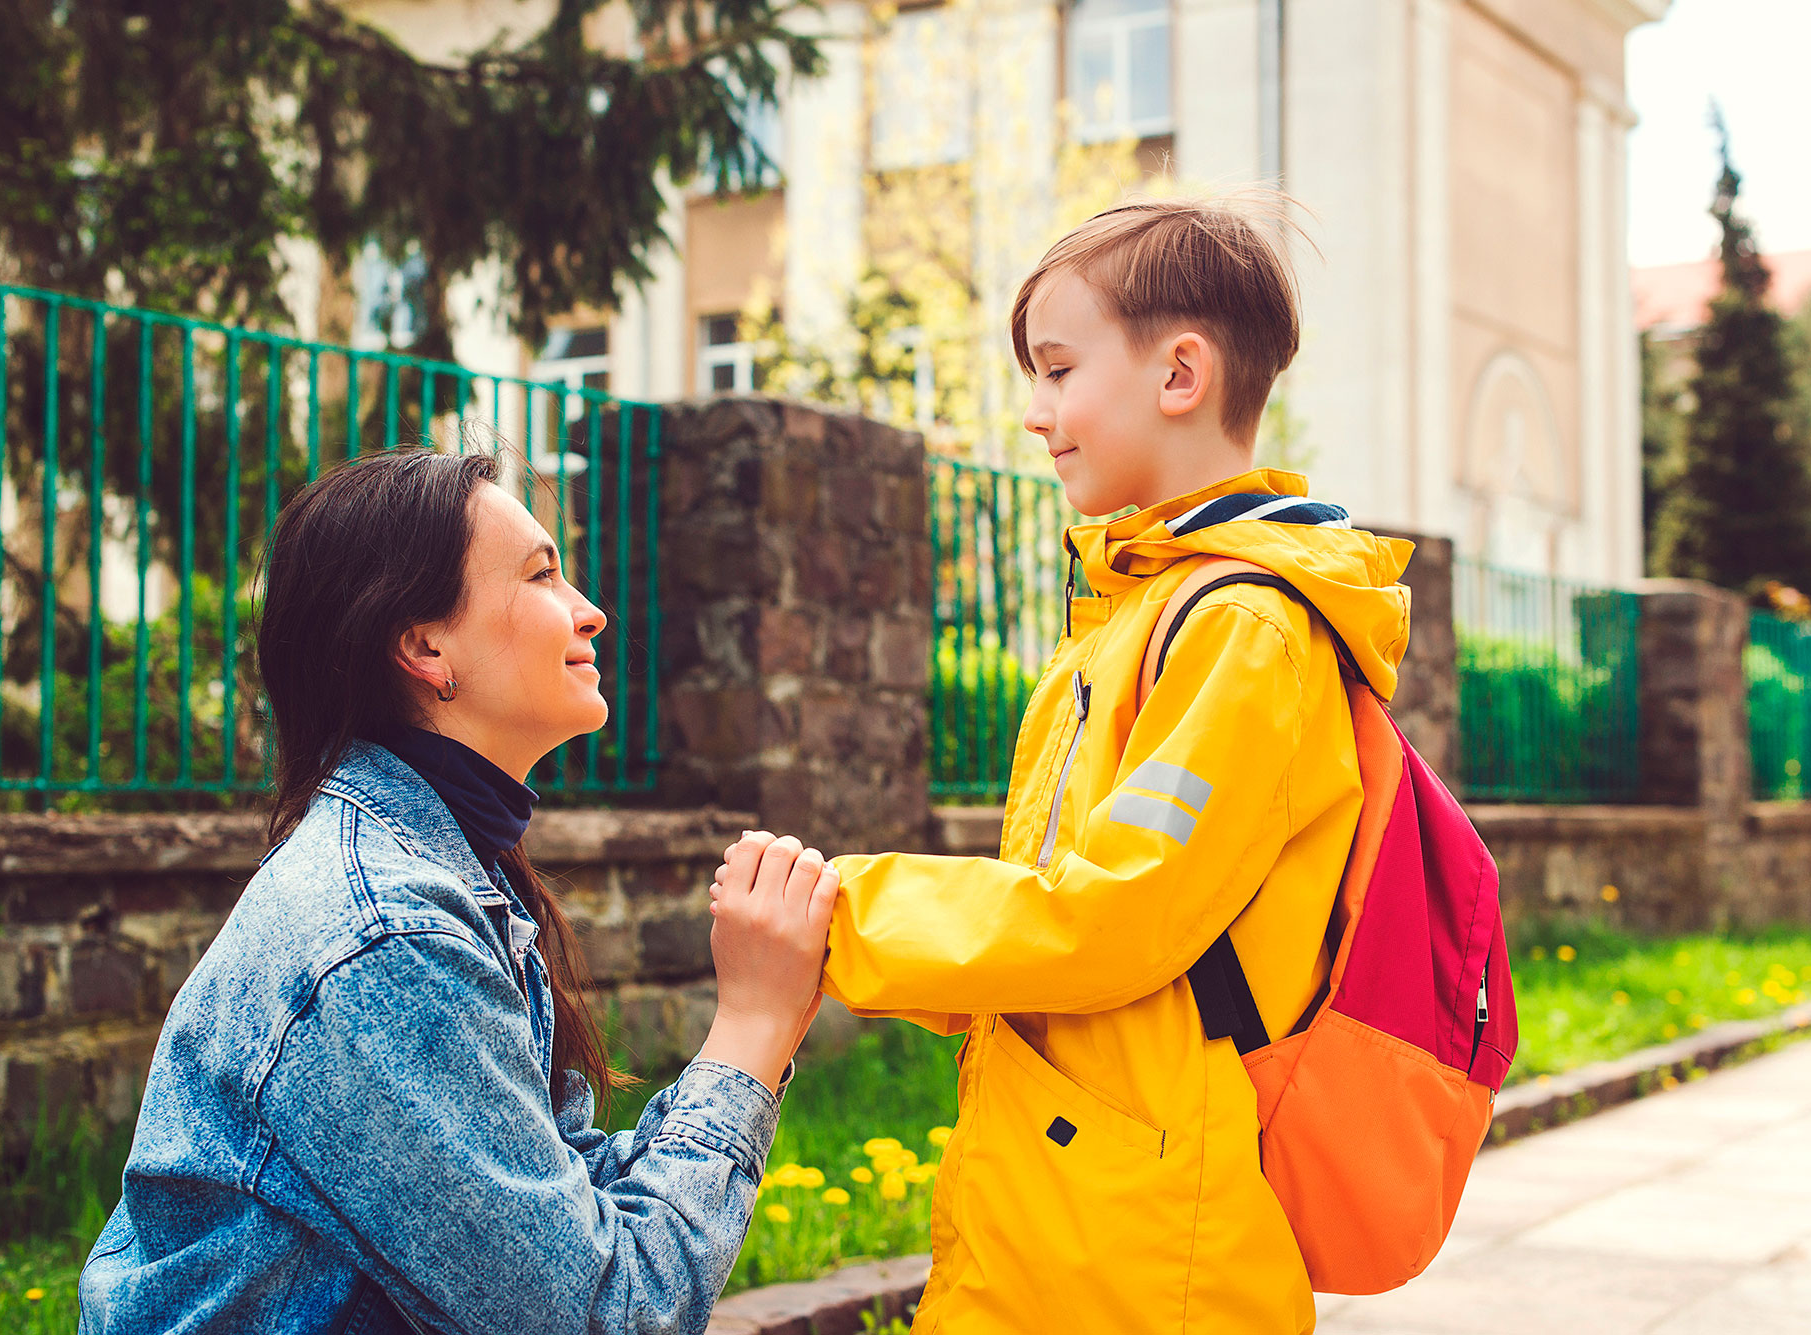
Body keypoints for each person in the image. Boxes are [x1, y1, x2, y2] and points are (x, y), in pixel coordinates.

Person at [724, 196, 1417, 1333]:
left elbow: (1113, 916)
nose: (1035, 413)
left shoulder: (1237, 630)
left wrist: (835, 917)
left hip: (1142, 1244)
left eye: (1056, 370)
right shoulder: (1136, 613)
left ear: (1179, 373)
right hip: (1075, 1192)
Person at [79, 448, 838, 1335]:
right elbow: (606, 1313)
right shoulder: (386, 935)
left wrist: (761, 1031)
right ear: (425, 646)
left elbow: (564, 1205)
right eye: (542, 575)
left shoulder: (449, 872)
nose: (590, 610)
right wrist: (751, 1027)